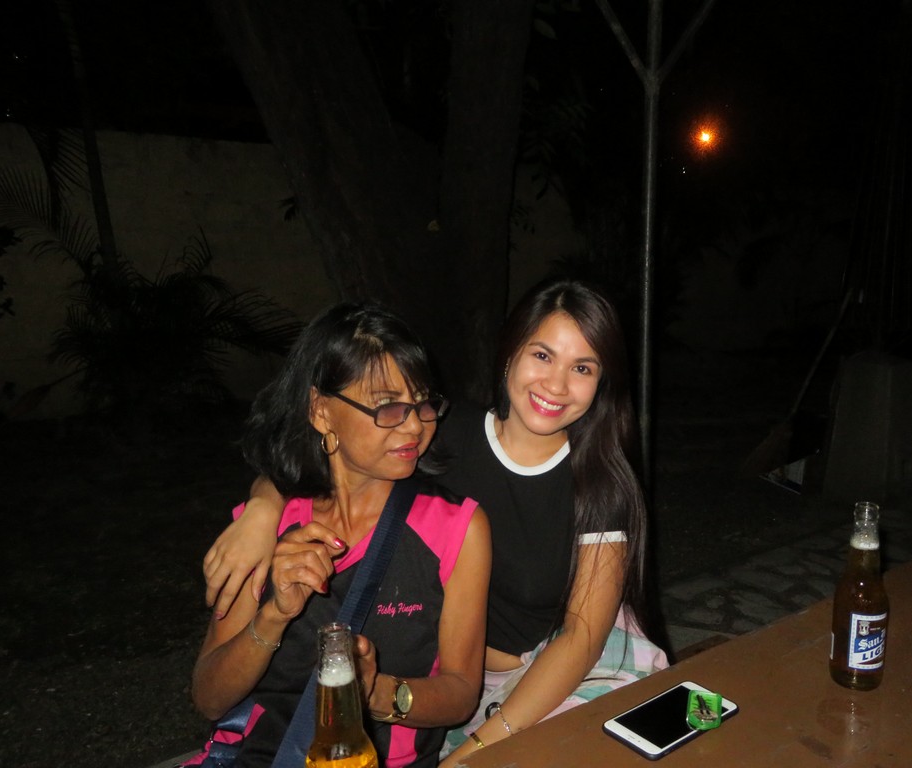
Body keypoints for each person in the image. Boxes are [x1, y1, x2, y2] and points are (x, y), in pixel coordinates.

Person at [202, 279, 668, 764]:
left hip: (554, 678)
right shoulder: (439, 431)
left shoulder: (601, 483)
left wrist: (478, 746)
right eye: (543, 356)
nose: (556, 384)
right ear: (510, 352)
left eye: (583, 368)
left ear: (602, 382)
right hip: (460, 684)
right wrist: (262, 510)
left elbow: (579, 639)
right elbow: (331, 456)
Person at [188, 302, 491, 768]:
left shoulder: (455, 527)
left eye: (423, 403)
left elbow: (461, 693)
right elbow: (209, 698)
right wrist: (273, 616)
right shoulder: (266, 528)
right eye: (388, 406)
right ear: (321, 412)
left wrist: (374, 691)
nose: (415, 425)